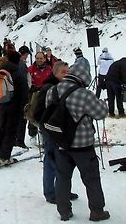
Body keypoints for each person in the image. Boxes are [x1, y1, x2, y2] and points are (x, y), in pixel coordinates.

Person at [45, 63, 109, 222]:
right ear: (83, 77)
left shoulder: (52, 91)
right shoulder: (83, 94)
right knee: (91, 179)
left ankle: (64, 211)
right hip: (83, 146)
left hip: (61, 143)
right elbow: (101, 113)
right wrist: (101, 102)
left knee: (62, 178)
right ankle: (96, 211)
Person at [32, 61, 78, 205]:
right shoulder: (48, 88)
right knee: (51, 160)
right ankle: (50, 192)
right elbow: (39, 111)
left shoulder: (63, 87)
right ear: (56, 73)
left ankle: (62, 190)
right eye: (63, 72)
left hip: (61, 130)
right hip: (50, 131)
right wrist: (46, 126)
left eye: (68, 72)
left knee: (63, 161)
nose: (67, 75)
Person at [0, 51, 29, 167]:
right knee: (10, 131)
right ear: (18, 60)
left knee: (0, 128)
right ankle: (4, 157)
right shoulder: (18, 72)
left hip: (2, 104)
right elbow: (24, 92)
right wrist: (24, 107)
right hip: (15, 107)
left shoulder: (0, 70)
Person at [14, 45, 31, 149]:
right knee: (22, 118)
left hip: (14, 96)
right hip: (21, 96)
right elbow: (24, 82)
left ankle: (16, 138)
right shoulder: (22, 65)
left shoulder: (14, 63)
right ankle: (20, 140)